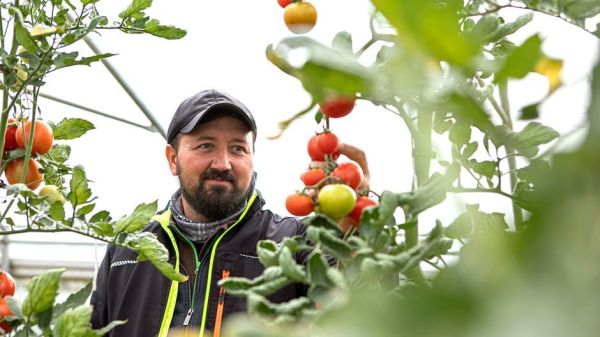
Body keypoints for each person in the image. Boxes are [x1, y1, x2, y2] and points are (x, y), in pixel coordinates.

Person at [90, 89, 369, 337]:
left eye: (238, 148)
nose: (223, 163)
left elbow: (364, 308)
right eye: (206, 145)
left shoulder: (293, 243)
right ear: (173, 159)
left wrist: (356, 230)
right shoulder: (127, 249)